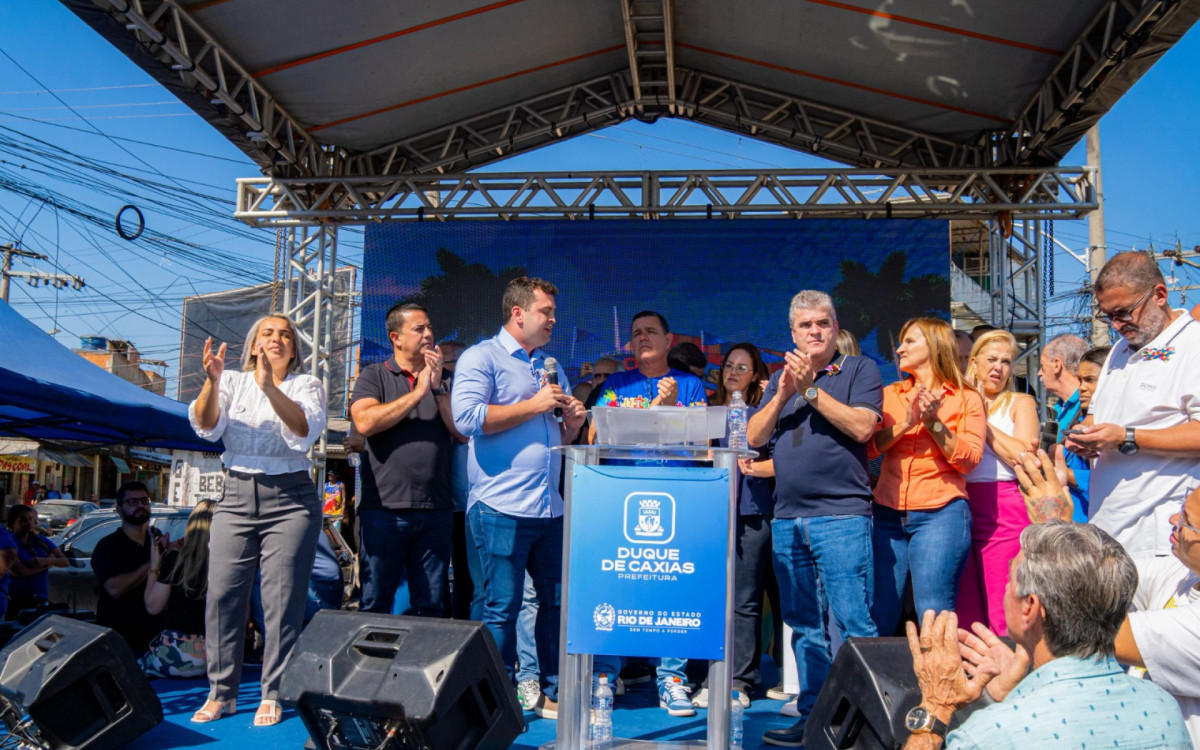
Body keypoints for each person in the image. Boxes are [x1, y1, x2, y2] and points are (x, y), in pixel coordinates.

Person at [900, 522, 1188, 750]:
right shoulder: (1164, 710)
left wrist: (935, 709)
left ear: (1030, 608)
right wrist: (1006, 695)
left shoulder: (988, 737)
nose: (1004, 589)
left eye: (1010, 580)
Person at [747, 291, 883, 746]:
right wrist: (785, 390)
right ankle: (814, 718)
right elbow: (753, 435)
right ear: (792, 334)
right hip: (787, 518)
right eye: (805, 326)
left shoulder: (858, 370)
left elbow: (863, 427)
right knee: (803, 628)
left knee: (852, 623)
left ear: (834, 325)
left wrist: (810, 390)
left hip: (841, 515)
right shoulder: (781, 380)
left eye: (822, 323)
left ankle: (866, 723)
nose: (815, 332)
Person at [451, 277, 586, 720]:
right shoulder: (481, 357)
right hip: (500, 507)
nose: (552, 320)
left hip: (550, 507)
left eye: (553, 313)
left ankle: (551, 689)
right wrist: (534, 404)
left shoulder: (549, 364)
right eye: (546, 312)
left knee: (555, 603)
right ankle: (492, 698)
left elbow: (556, 433)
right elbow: (468, 417)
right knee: (499, 607)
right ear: (518, 314)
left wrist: (572, 422)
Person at [188, 314, 326, 726]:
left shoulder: (306, 385)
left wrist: (269, 387)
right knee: (223, 595)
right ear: (253, 345)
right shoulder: (230, 380)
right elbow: (207, 426)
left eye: (285, 335)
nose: (277, 339)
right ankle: (222, 692)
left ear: (294, 350)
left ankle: (274, 690)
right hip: (235, 495)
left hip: (291, 497)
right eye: (268, 333)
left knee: (281, 600)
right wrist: (212, 381)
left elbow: (304, 429)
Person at [589, 310, 707, 717]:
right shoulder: (617, 385)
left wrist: (674, 409)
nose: (642, 338)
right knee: (615, 584)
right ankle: (604, 675)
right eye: (636, 333)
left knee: (672, 589)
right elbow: (594, 436)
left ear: (669, 340)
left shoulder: (690, 385)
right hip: (619, 499)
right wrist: (655, 408)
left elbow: (704, 443)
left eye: (650, 332)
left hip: (676, 499)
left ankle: (672, 679)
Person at [1067, 251, 1200, 556]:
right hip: (1109, 527)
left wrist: (1127, 438)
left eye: (1124, 312)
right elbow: (1102, 417)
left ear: (1160, 295)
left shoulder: (1194, 345)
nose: (1116, 324)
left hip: (1162, 536)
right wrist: (1086, 436)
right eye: (1108, 315)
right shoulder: (1119, 350)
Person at [870, 317, 986, 637]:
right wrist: (908, 421)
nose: (899, 348)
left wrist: (933, 422)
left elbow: (968, 461)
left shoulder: (966, 398)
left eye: (910, 342)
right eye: (901, 341)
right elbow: (869, 448)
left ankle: (938, 686)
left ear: (934, 347)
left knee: (933, 611)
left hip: (941, 512)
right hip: (887, 512)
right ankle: (880, 687)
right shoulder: (889, 393)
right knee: (881, 608)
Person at [350, 302, 459, 618]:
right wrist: (417, 393)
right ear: (396, 338)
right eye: (419, 328)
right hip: (383, 510)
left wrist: (436, 389)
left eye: (429, 327)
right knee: (375, 604)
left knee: (431, 607)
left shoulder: (447, 379)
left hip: (436, 509)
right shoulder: (375, 375)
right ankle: (372, 668)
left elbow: (462, 433)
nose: (428, 334)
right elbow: (366, 423)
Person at [692, 343, 778, 711]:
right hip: (710, 513)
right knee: (708, 597)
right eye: (728, 365)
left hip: (752, 512)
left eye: (742, 367)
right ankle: (701, 676)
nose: (732, 372)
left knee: (744, 600)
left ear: (757, 375)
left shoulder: (763, 413)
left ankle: (740, 680)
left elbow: (783, 461)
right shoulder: (709, 410)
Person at [956, 330, 1038, 636]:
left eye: (1006, 361)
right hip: (959, 502)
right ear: (974, 362)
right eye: (991, 359)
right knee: (964, 609)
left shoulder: (1020, 401)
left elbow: (1023, 456)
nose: (998, 368)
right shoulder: (957, 398)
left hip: (1004, 505)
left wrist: (980, 423)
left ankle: (1007, 678)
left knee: (1002, 604)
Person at [140, 500, 214, 679]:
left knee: (131, 673)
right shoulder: (230, 563)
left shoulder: (176, 559)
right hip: (215, 654)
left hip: (176, 651)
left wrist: (155, 565)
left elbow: (153, 606)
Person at [91, 481, 164, 655]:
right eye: (132, 502)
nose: (140, 505)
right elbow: (114, 588)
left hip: (155, 638)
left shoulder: (156, 539)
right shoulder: (108, 546)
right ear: (119, 510)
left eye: (144, 501)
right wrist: (153, 562)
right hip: (120, 640)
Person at [1036, 333, 1089, 522]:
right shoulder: (1060, 411)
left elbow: (1106, 475)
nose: (1039, 373)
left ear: (1057, 365)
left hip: (1087, 524)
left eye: (1042, 366)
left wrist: (1063, 474)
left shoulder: (1089, 409)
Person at [1061, 345, 1110, 513]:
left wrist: (1065, 474)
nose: (1081, 387)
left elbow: (1112, 483)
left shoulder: (1115, 430)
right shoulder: (1081, 420)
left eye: (1090, 380)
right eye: (1080, 380)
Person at [6, 504, 68, 618]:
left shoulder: (40, 540)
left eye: (31, 519)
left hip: (41, 599)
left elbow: (64, 561)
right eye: (23, 520)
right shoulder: (9, 542)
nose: (29, 523)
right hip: (17, 601)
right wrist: (50, 561)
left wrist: (43, 561)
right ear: (12, 524)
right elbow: (21, 571)